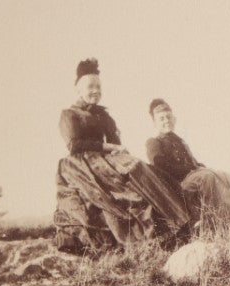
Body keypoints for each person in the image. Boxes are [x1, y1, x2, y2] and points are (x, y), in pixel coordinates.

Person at [53, 59, 190, 252]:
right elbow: (74, 145)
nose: (95, 90)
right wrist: (107, 147)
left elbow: (114, 141)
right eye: (90, 86)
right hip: (81, 163)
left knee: (140, 168)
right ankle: (155, 231)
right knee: (128, 179)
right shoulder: (69, 114)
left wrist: (118, 148)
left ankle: (178, 222)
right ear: (78, 90)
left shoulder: (103, 115)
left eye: (98, 86)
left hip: (106, 159)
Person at [145, 98, 230, 230]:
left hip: (191, 176)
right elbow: (160, 165)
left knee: (224, 176)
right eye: (161, 119)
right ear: (154, 123)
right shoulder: (154, 142)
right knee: (207, 178)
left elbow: (192, 162)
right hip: (177, 183)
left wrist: (198, 166)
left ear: (173, 119)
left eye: (168, 117)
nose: (166, 121)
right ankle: (214, 223)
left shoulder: (179, 140)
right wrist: (188, 169)